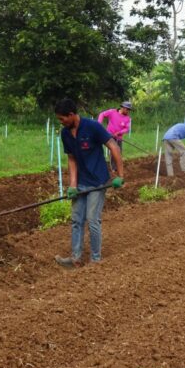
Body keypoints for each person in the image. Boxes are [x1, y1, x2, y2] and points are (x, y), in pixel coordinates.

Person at [54, 98, 124, 268]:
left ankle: (95, 259)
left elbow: (113, 147)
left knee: (92, 219)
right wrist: (72, 185)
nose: (61, 122)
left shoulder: (92, 127)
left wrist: (120, 175)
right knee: (77, 220)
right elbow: (71, 159)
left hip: (98, 182)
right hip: (81, 183)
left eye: (62, 119)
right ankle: (75, 259)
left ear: (71, 115)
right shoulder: (65, 133)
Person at [97, 101, 133, 170]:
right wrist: (99, 124)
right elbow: (102, 114)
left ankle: (117, 167)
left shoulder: (127, 118)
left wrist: (119, 132)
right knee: (113, 150)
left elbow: (126, 129)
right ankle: (113, 168)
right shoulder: (112, 112)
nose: (128, 111)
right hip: (109, 136)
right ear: (122, 107)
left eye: (129, 110)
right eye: (127, 109)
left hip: (118, 137)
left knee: (119, 152)